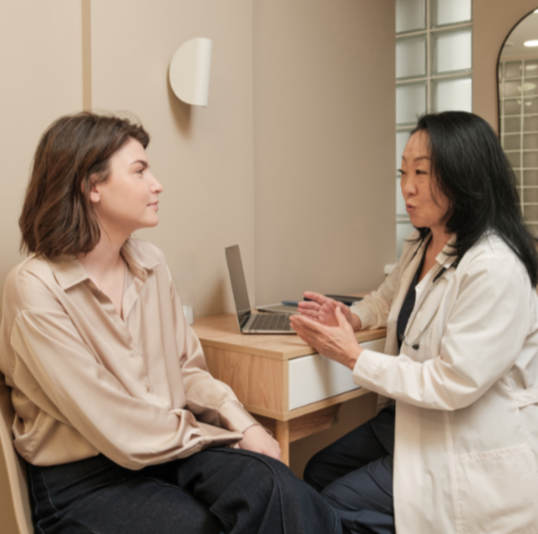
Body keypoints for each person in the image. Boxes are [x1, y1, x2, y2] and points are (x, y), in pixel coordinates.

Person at [0, 112, 342, 534]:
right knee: (200, 525)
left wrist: (245, 424)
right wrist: (221, 437)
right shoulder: (35, 288)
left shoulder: (151, 263)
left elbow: (186, 370)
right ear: (92, 187)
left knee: (277, 487)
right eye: (140, 171)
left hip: (169, 451)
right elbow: (121, 429)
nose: (156, 184)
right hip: (85, 479)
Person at [289, 111, 538, 534]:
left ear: (464, 175)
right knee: (318, 472)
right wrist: (352, 315)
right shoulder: (422, 239)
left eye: (422, 172)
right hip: (413, 420)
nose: (407, 186)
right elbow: (389, 298)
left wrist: (353, 357)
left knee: (333, 504)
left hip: (465, 438)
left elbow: (452, 382)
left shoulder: (494, 266)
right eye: (403, 171)